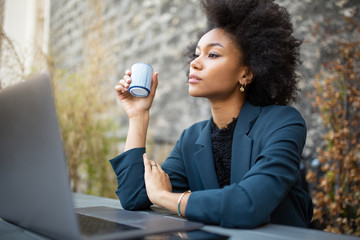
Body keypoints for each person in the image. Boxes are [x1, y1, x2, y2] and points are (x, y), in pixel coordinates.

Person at [110, 0, 313, 228]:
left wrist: (166, 198)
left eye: (213, 55)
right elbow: (134, 196)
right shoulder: (191, 139)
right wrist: (138, 115)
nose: (195, 63)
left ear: (246, 73)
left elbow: (248, 204)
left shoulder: (282, 123)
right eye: (196, 54)